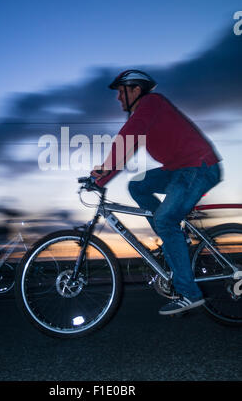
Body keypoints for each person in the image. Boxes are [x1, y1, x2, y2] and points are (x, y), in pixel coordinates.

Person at [91, 69, 222, 315]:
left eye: (121, 92)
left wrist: (101, 176)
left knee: (165, 220)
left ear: (136, 90)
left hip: (198, 167)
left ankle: (189, 293)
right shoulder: (144, 114)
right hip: (179, 169)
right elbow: (126, 149)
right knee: (137, 184)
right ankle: (173, 240)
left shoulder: (152, 103)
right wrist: (101, 177)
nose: (118, 98)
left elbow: (125, 138)